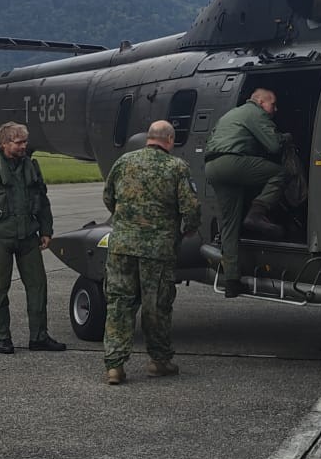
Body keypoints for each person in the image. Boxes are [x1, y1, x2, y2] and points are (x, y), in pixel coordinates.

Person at [100, 120, 200, 386]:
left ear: (148, 138)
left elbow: (108, 197)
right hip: (157, 250)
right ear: (169, 140)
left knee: (119, 303)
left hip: (122, 246)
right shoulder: (177, 167)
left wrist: (126, 221)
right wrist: (186, 230)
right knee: (156, 306)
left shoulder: (124, 162)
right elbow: (190, 209)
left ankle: (115, 366)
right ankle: (158, 361)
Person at [0, 122, 62, 355]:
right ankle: (3, 338)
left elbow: (42, 201)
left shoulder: (30, 168)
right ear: (4, 143)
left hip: (28, 238)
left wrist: (46, 230)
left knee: (38, 286)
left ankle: (39, 337)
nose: (24, 146)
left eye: (25, 142)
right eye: (19, 142)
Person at [202, 87, 286, 295]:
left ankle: (231, 280)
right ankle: (257, 213)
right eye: (272, 104)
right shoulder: (255, 113)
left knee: (230, 225)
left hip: (213, 167)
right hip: (232, 162)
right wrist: (286, 137)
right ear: (260, 102)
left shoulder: (232, 113)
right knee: (281, 173)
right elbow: (274, 146)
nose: (275, 109)